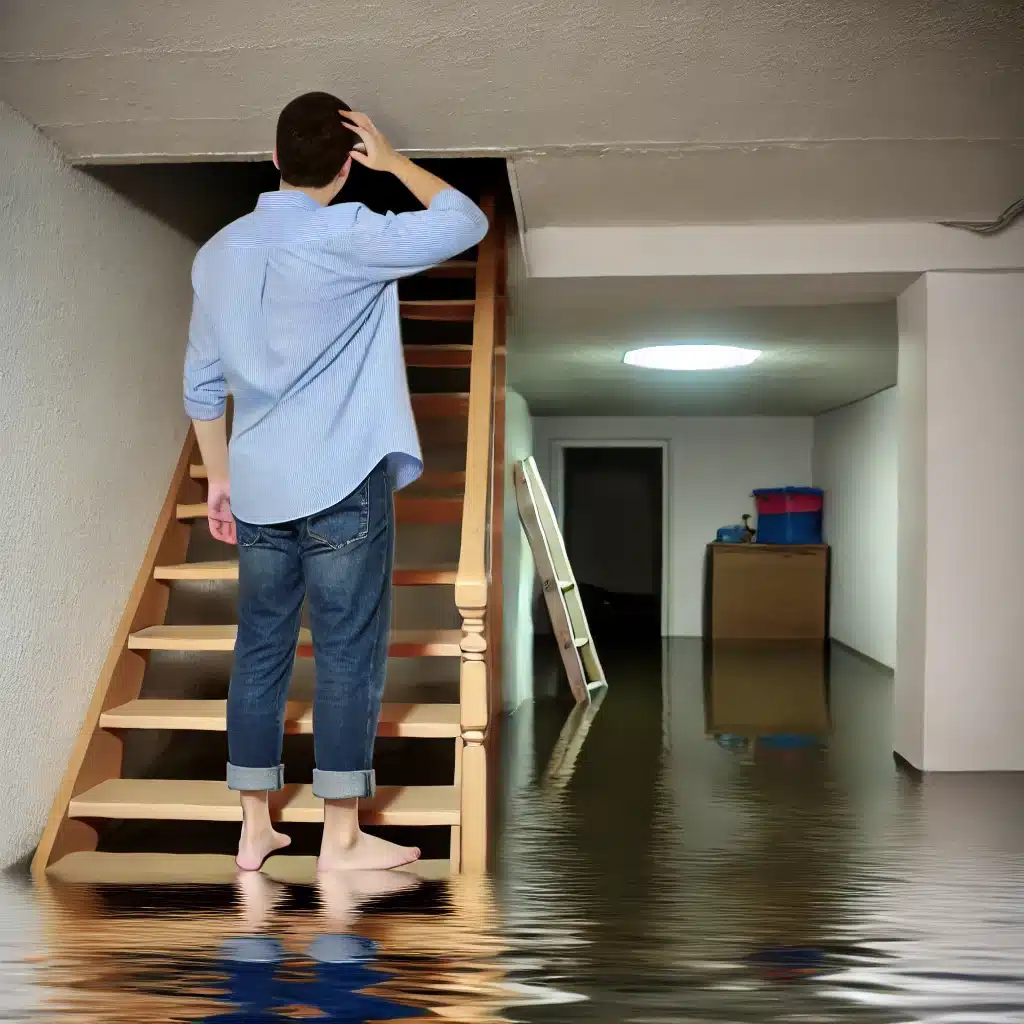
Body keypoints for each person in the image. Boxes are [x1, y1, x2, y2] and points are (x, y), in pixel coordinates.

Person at [183, 92, 489, 872]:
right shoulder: (351, 232)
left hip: (255, 484)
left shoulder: (216, 253)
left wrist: (218, 477)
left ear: (273, 156)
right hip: (340, 483)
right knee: (347, 654)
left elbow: (200, 383)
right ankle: (341, 841)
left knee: (260, 650)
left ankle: (254, 830)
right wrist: (394, 163)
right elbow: (464, 222)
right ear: (349, 161)